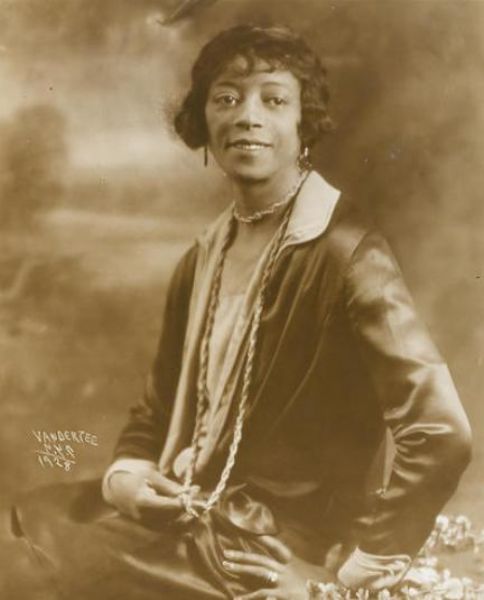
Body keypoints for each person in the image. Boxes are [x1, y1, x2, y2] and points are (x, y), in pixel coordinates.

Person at [4, 24, 472, 600]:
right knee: (28, 517)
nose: (248, 116)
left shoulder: (345, 252)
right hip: (186, 511)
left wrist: (348, 578)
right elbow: (156, 409)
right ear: (203, 122)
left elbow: (441, 433)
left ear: (304, 125)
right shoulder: (205, 254)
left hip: (264, 547)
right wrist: (127, 477)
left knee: (21, 573)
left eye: (274, 101)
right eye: (226, 98)